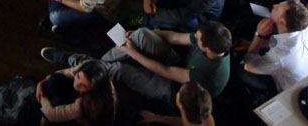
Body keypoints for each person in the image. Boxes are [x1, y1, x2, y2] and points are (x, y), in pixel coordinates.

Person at [44, 21, 231, 108]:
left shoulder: (209, 73)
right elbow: (174, 37)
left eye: (197, 38)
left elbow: (166, 71)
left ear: (207, 49)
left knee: (119, 69)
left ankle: (77, 62)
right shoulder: (211, 40)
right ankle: (90, 67)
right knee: (140, 34)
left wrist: (132, 52)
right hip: (180, 63)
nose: (194, 37)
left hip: (175, 89)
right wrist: (137, 35)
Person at [242, 0, 308, 95]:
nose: (274, 5)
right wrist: (251, 44)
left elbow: (249, 66)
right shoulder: (307, 29)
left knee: (242, 71)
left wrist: (259, 36)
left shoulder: (281, 56)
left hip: (294, 92)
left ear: (282, 22)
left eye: (277, 8)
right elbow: (280, 42)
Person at [34, 60, 117, 125]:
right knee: (55, 79)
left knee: (58, 102)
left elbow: (52, 114)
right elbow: (62, 72)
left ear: (92, 90)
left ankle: (43, 118)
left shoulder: (89, 104)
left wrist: (42, 97)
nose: (76, 84)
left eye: (84, 86)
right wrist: (41, 83)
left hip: (84, 117)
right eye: (78, 77)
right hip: (78, 95)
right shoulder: (87, 70)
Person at [138, 82, 214, 126]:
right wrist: (157, 118)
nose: (177, 93)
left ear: (180, 104)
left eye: (179, 93)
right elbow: (184, 122)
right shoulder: (205, 113)